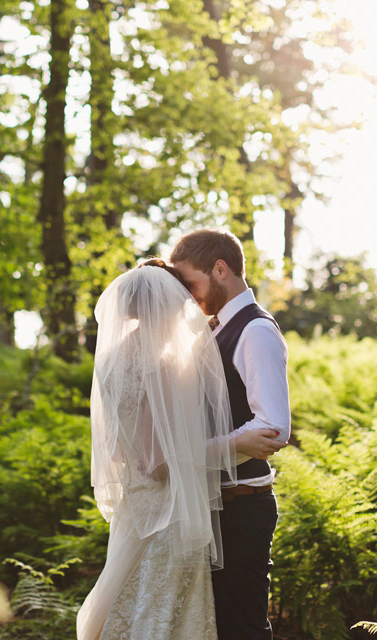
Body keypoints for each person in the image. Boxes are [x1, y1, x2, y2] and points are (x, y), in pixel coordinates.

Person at [77, 259, 273, 639]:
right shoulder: (161, 363)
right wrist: (237, 445)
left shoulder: (112, 360)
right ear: (167, 304)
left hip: (135, 509)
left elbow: (122, 452)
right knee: (162, 617)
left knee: (130, 608)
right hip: (168, 515)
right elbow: (159, 464)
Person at [170, 229, 290, 640]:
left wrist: (191, 454)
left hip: (243, 508)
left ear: (220, 269)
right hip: (218, 507)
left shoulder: (254, 330)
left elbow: (271, 428)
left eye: (191, 283)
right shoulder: (216, 328)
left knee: (244, 629)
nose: (188, 295)